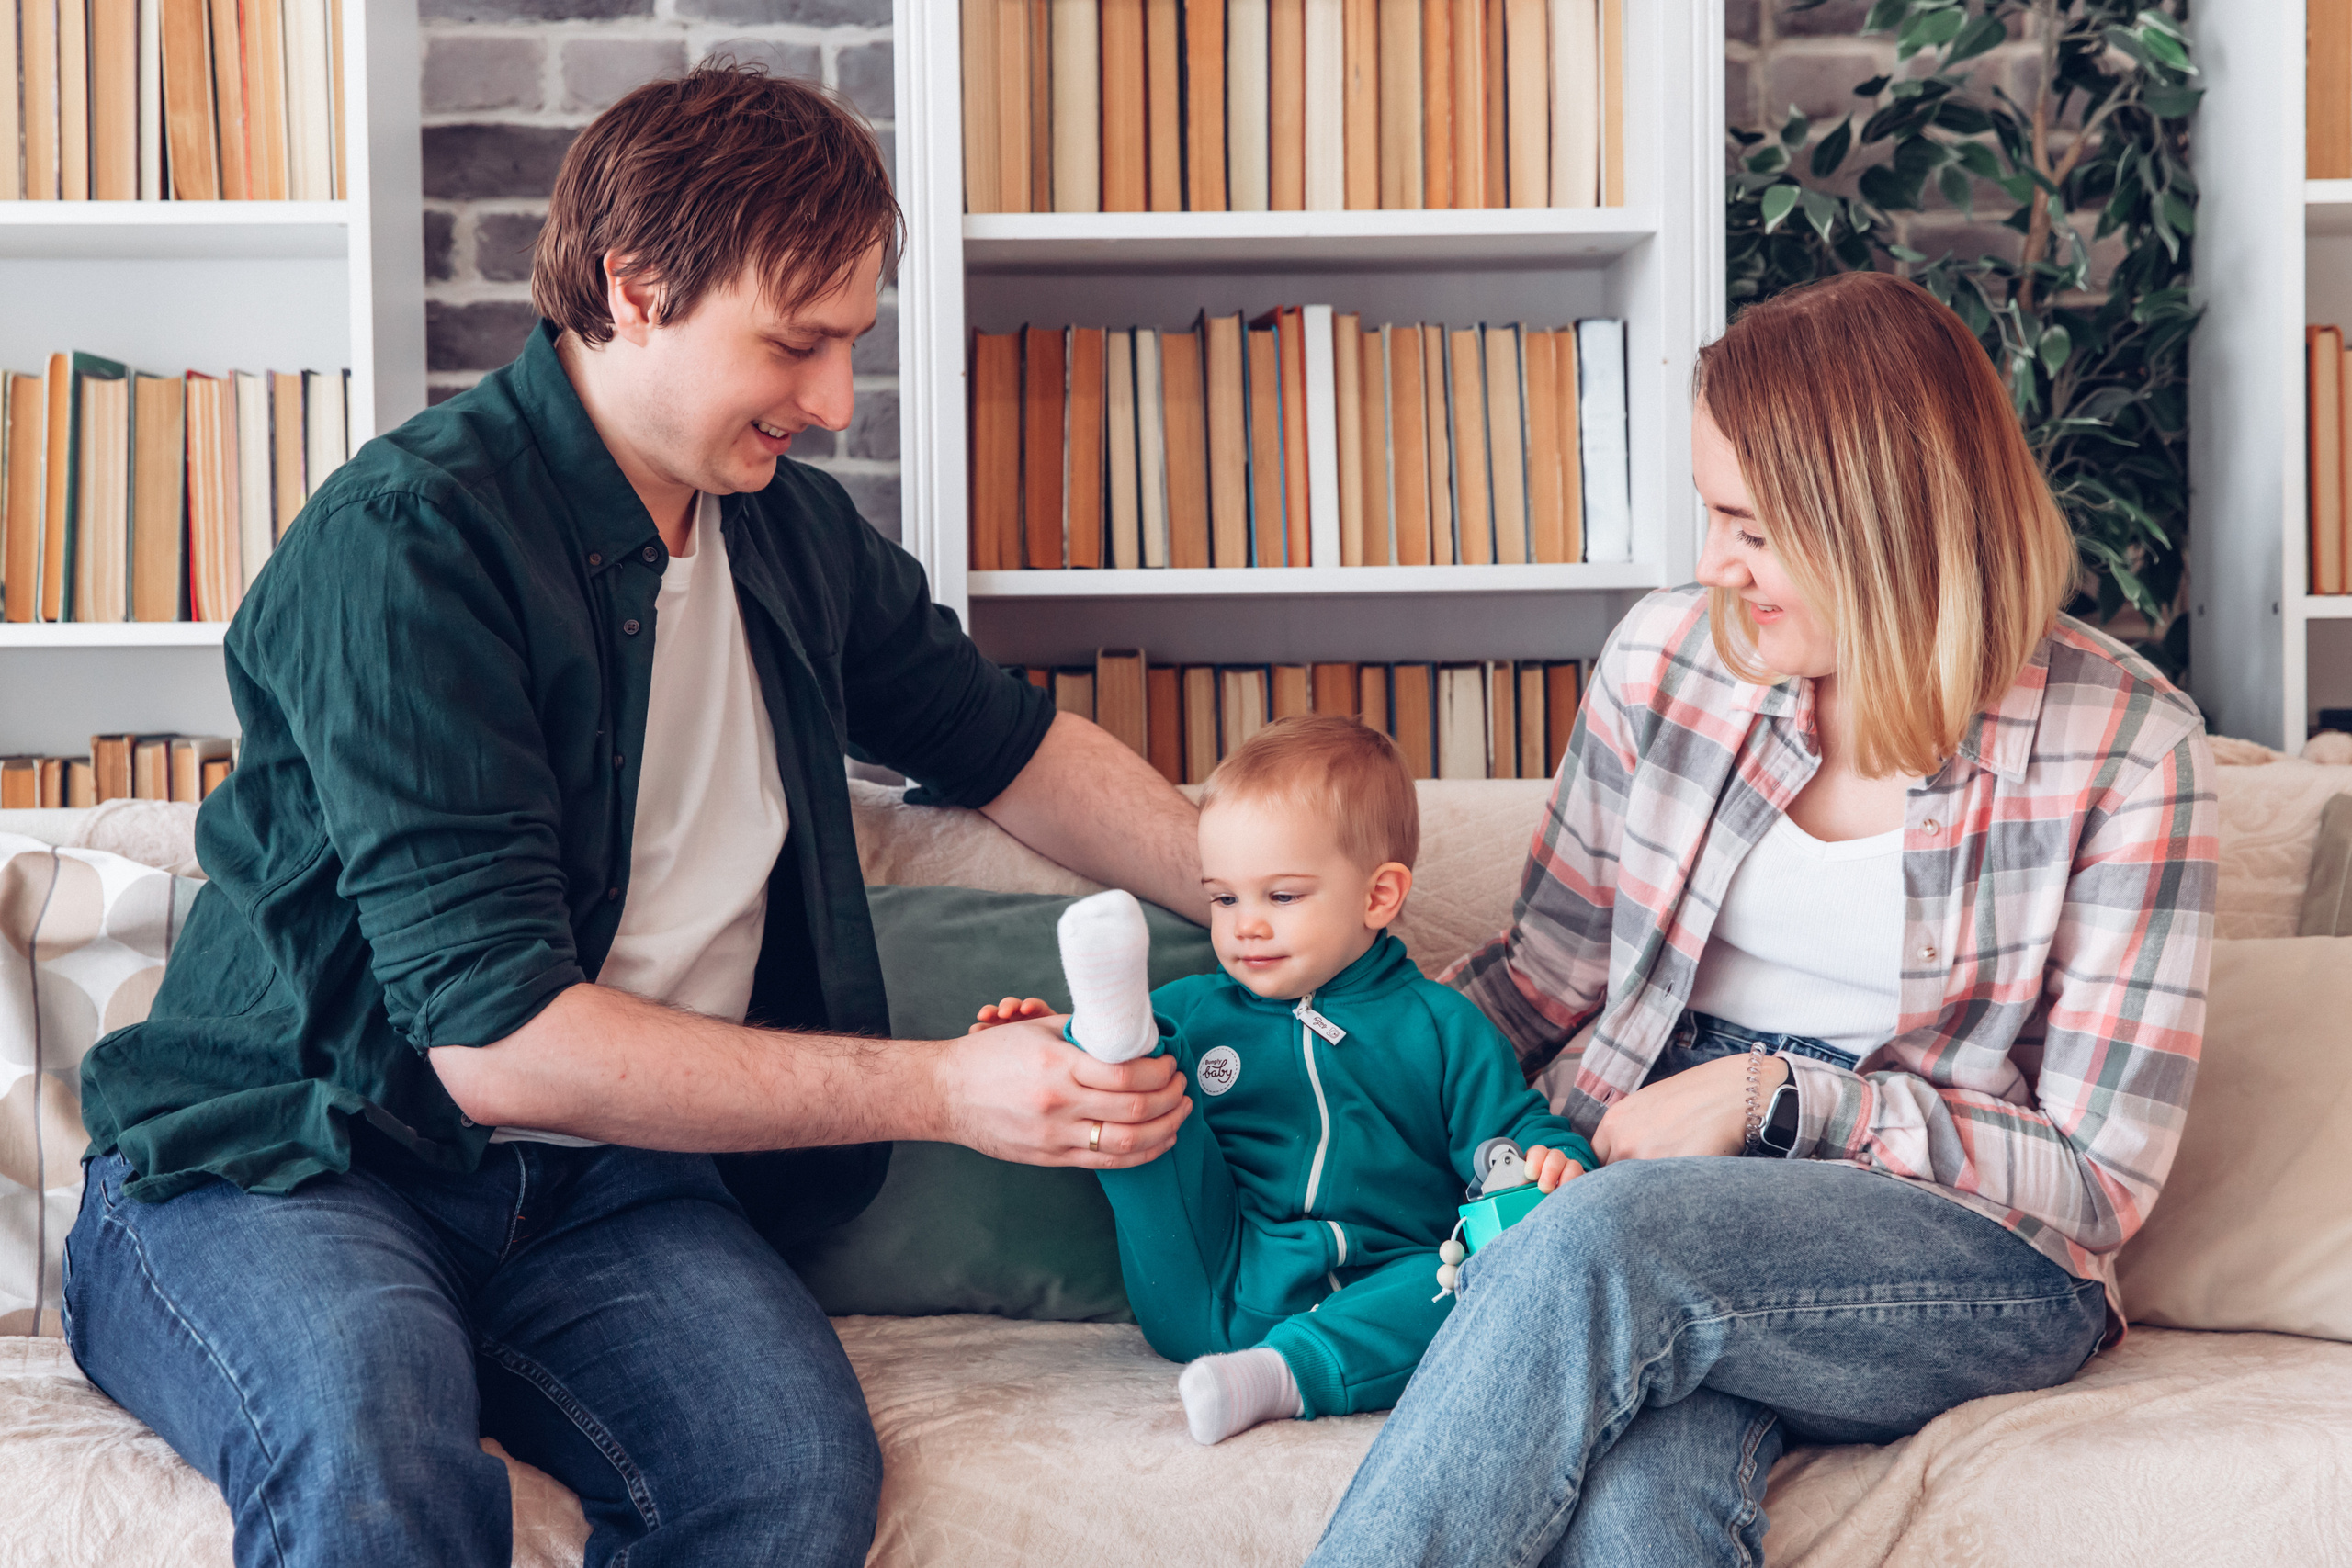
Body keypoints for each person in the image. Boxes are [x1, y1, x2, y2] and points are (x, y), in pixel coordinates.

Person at [64, 67, 1199, 1568]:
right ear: (637, 286)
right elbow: (504, 1042)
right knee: (372, 1448)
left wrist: (1258, 893)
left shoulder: (793, 535)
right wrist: (943, 1088)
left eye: (854, 341)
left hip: (603, 1190)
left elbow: (1008, 745)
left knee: (787, 1479)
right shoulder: (410, 545)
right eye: (798, 343)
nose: (835, 402)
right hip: (288, 1161)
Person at [1305, 271, 2218, 1566]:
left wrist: (1776, 1096)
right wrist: (1333, 1043)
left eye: (1747, 524)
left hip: (1962, 1235)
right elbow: (1549, 979)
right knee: (1635, 1507)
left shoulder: (2125, 746)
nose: (1709, 564)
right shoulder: (1666, 661)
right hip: (1661, 1183)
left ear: (1880, 521)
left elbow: (2100, 1173)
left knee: (1601, 1247)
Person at [973, 716, 1598, 1445]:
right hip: (1207, 1271)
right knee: (1142, 1097)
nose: (1246, 927)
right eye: (1225, 899)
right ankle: (1105, 1033)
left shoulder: (1440, 1026)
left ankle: (1278, 1377)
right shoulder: (1197, 1009)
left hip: (1379, 1285)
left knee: (1474, 1281)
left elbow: (1512, 1130)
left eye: (1282, 896)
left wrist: (1552, 1158)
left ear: (1378, 896)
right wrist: (1043, 1037)